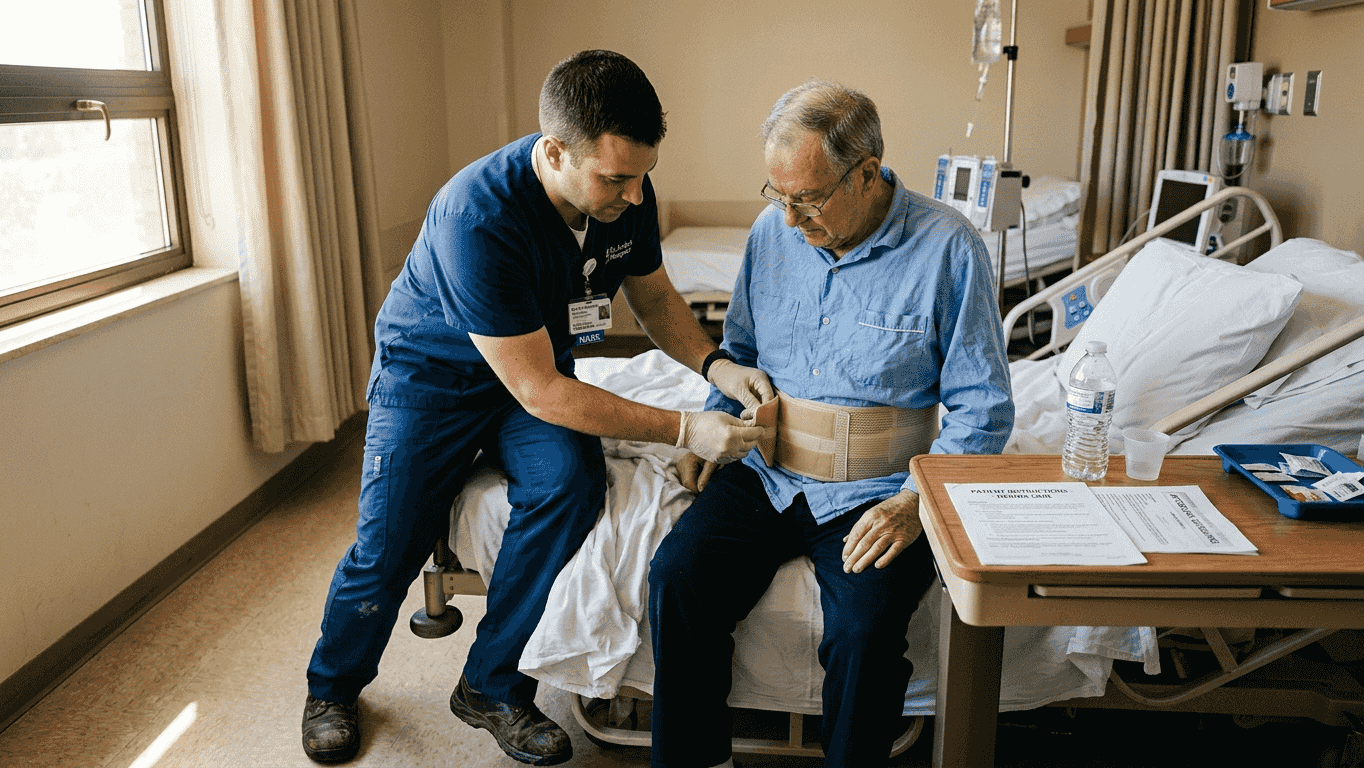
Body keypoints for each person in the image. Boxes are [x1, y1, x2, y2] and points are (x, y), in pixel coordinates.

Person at [301, 50, 773, 766]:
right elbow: (542, 393)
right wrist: (685, 427)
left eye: (642, 174)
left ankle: (491, 686)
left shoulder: (624, 191)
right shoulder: (478, 216)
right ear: (553, 152)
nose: (635, 195)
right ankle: (332, 686)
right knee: (389, 542)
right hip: (429, 381)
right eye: (615, 178)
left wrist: (716, 364)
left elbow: (651, 296)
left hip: (530, 371)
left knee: (570, 486)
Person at [647, 80, 1014, 768]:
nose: (789, 219)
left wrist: (915, 505)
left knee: (863, 633)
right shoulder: (770, 234)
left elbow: (983, 408)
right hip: (768, 470)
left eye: (807, 199)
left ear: (867, 172)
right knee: (676, 577)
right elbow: (744, 354)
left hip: (877, 492)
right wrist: (714, 419)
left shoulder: (948, 249)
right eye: (776, 196)